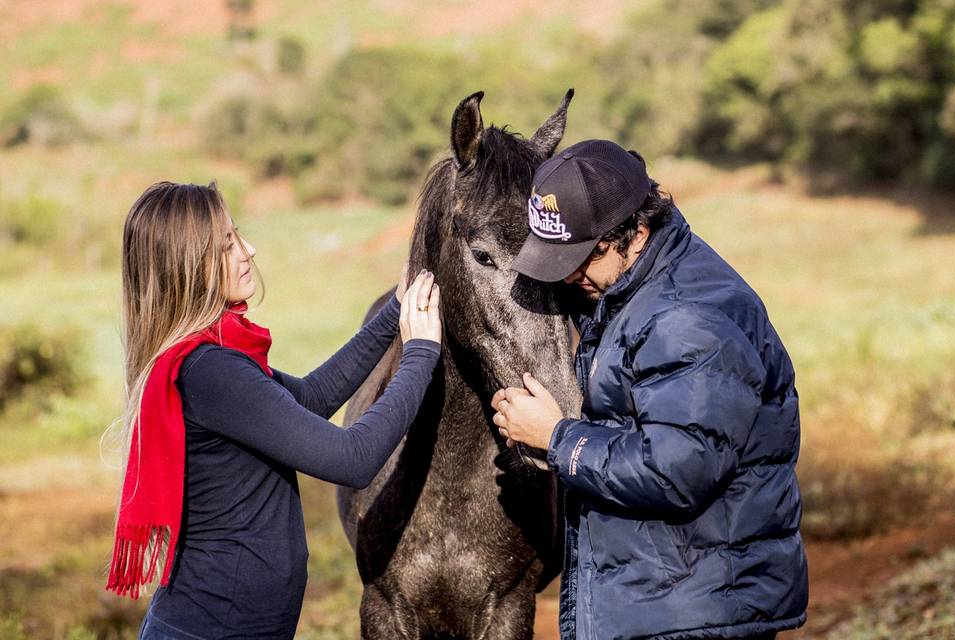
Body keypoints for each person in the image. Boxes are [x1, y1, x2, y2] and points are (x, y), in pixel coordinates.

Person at [491, 140, 808, 640]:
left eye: (580, 258)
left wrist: (555, 437)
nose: (570, 276)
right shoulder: (630, 290)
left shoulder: (688, 318)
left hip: (696, 611)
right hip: (668, 600)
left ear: (635, 232)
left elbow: (676, 472)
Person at [106, 181, 442, 640]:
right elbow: (353, 459)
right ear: (187, 267)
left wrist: (395, 311)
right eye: (228, 245)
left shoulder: (210, 358)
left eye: (238, 234)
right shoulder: (211, 370)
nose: (250, 250)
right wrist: (421, 351)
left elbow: (310, 397)